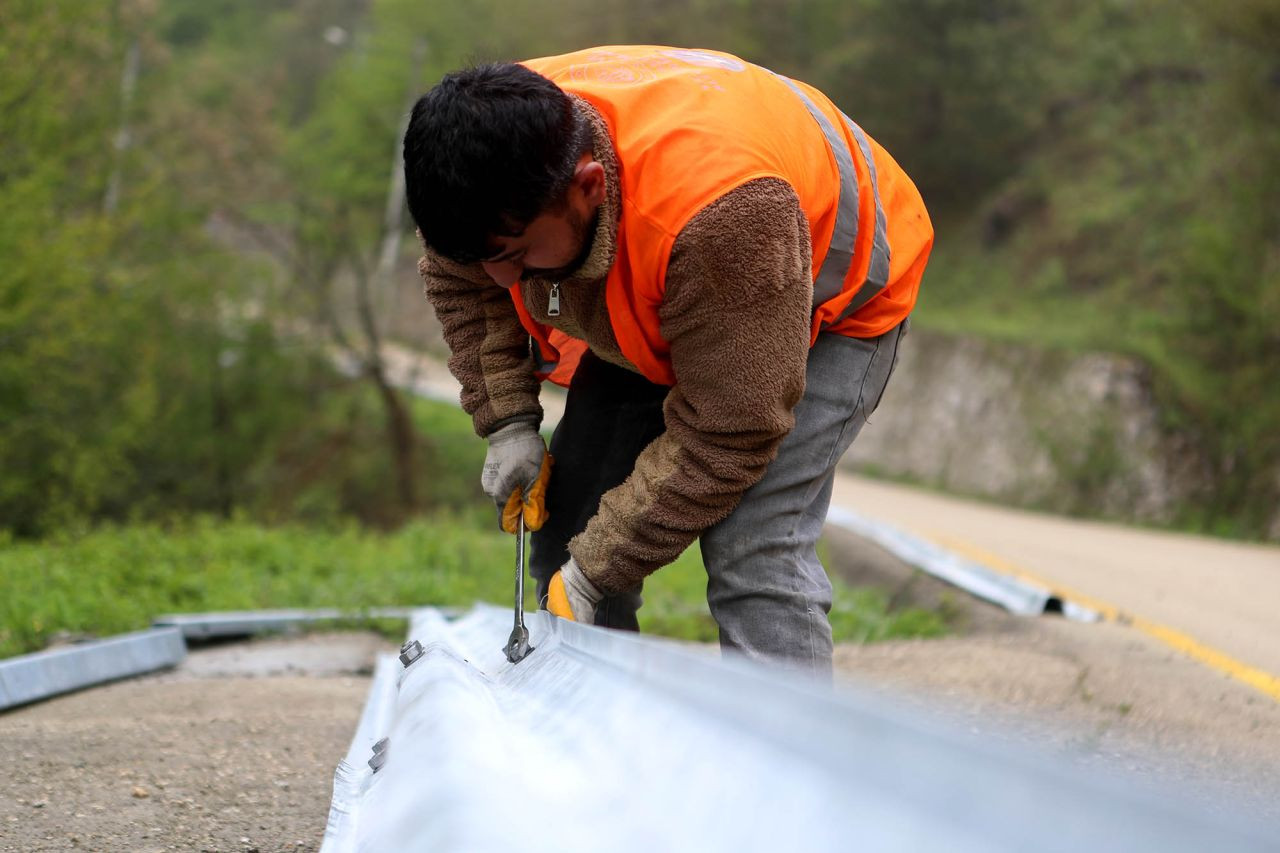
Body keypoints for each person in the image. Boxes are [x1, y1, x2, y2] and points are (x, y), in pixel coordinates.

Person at [404, 46, 932, 676]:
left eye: (513, 254)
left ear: (587, 187)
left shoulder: (725, 219)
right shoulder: (487, 161)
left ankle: (783, 757)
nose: (500, 277)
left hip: (830, 298)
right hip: (678, 276)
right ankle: (586, 741)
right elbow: (466, 278)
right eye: (480, 255)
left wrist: (595, 574)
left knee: (751, 547)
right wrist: (509, 423)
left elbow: (731, 431)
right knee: (571, 524)